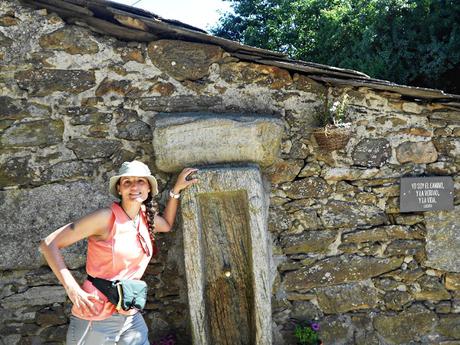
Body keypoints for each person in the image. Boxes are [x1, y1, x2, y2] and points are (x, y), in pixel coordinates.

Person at [39, 160, 198, 345]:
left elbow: (168, 225)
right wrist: (72, 289)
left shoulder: (146, 217)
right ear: (119, 189)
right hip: (96, 317)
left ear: (149, 189)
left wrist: (175, 191)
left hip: (129, 314)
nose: (134, 186)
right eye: (127, 182)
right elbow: (48, 244)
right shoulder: (105, 218)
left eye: (140, 181)